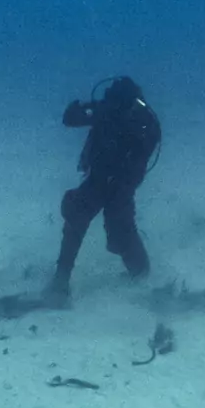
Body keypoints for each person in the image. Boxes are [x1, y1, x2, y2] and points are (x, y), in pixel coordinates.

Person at [42, 76, 161, 305]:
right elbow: (70, 119)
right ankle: (61, 281)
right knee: (76, 220)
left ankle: (140, 275)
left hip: (120, 185)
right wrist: (85, 107)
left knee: (119, 231)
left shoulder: (142, 119)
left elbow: (145, 149)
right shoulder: (108, 110)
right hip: (100, 180)